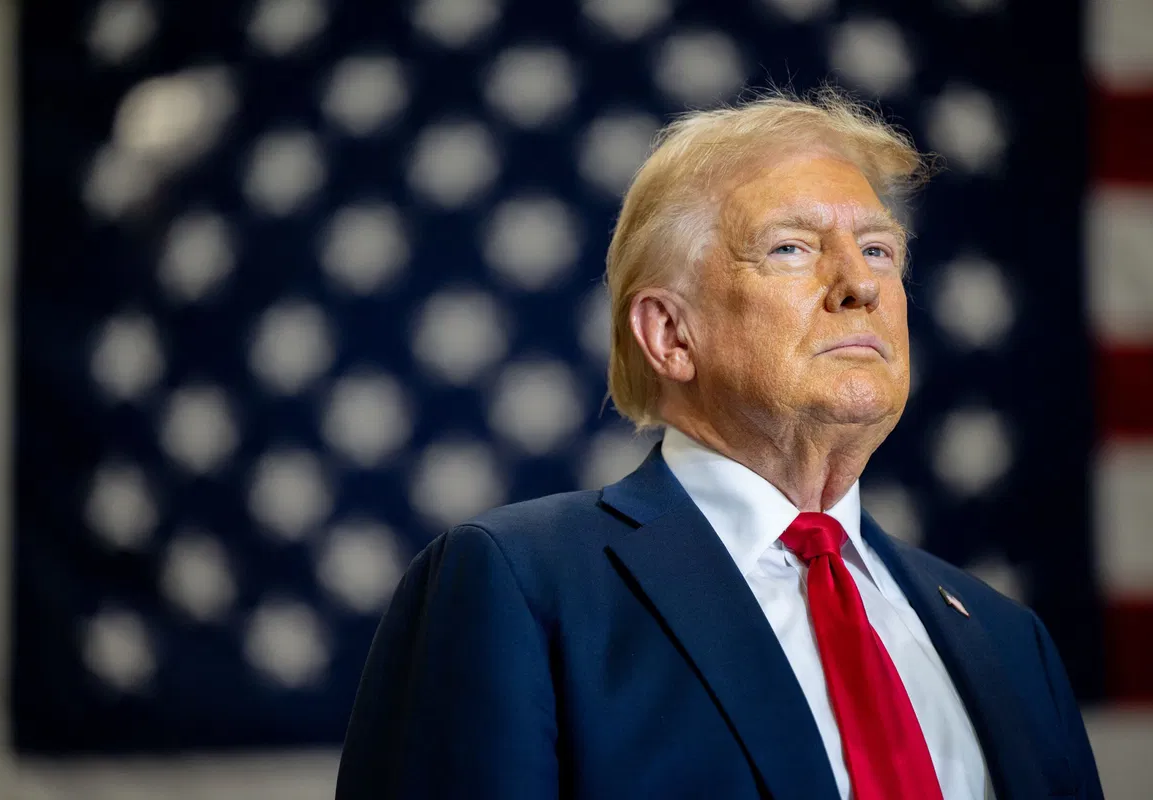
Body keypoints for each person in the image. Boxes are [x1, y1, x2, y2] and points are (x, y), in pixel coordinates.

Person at [335, 90, 1104, 800]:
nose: (859, 285)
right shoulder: (519, 585)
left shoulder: (1009, 640)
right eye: (791, 248)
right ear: (670, 334)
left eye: (878, 250)